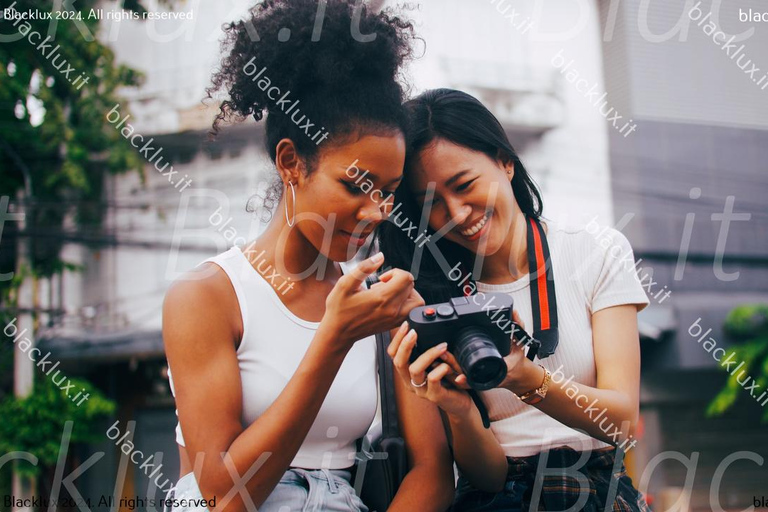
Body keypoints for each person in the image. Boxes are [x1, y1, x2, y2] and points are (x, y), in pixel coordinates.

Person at [162, 2, 428, 511]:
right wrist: (334, 338)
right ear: (291, 162)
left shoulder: (378, 303)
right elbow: (223, 496)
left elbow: (430, 469)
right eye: (356, 186)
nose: (377, 211)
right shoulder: (208, 298)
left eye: (389, 191)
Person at [379, 88, 652, 511]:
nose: (457, 213)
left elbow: (620, 423)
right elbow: (488, 476)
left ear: (506, 162)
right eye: (432, 204)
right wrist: (458, 411)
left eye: (465, 184)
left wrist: (526, 380)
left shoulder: (595, 252)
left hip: (599, 488)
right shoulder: (429, 300)